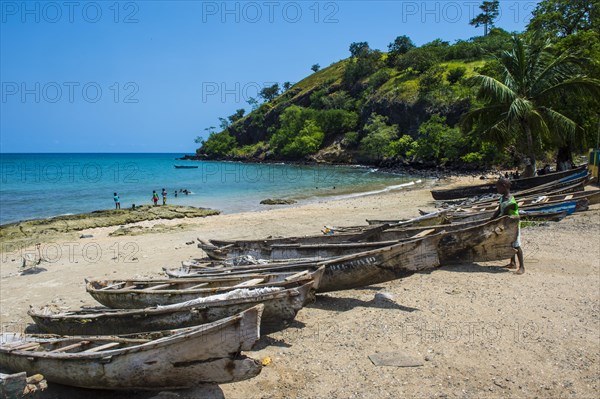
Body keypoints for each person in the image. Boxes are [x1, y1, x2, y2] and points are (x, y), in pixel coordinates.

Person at [490, 178, 524, 274]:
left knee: (516, 245)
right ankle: (512, 262)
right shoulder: (502, 198)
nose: (497, 189)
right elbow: (499, 210)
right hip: (506, 224)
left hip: (513, 225)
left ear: (504, 187)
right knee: (509, 243)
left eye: (498, 187)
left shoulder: (511, 202)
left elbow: (505, 214)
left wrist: (495, 220)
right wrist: (491, 218)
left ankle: (522, 266)